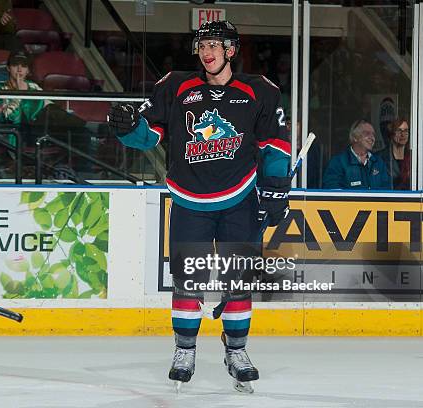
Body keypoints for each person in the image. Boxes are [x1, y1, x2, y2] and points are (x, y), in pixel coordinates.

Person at [107, 20, 291, 393]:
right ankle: (184, 349)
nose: (206, 51)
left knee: (237, 279)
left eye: (214, 44)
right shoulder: (175, 85)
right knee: (188, 279)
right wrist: (128, 128)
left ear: (231, 50)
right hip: (189, 200)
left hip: (239, 200)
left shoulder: (260, 91)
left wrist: (275, 190)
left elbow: (275, 145)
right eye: (202, 45)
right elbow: (149, 137)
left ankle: (236, 351)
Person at [323, 119, 391, 190]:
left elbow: (386, 190)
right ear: (355, 138)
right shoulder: (338, 162)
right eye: (367, 133)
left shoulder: (378, 162)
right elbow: (332, 190)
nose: (372, 138)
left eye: (373, 134)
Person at [0, 51, 47, 126]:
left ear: (28, 71)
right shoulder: (0, 87)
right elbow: (7, 116)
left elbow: (46, 108)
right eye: (15, 65)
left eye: (24, 66)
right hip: (9, 132)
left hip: (34, 131)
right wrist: (18, 93)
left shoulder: (34, 87)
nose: (19, 69)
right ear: (8, 68)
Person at [379, 118, 411, 190]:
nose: (403, 134)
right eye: (399, 130)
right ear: (391, 133)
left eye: (406, 131)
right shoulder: (381, 157)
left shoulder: (413, 157)